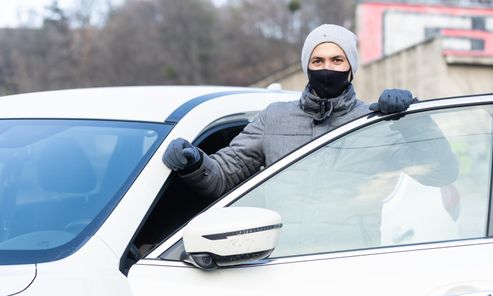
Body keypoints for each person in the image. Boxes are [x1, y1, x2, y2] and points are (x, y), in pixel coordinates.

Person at [162, 24, 418, 198]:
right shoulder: (274, 119)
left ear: (351, 68)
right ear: (307, 68)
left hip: (350, 259)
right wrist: (195, 162)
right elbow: (222, 176)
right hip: (284, 260)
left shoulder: (373, 122)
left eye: (337, 60)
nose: (326, 68)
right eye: (318, 61)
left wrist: (414, 121)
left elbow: (440, 174)